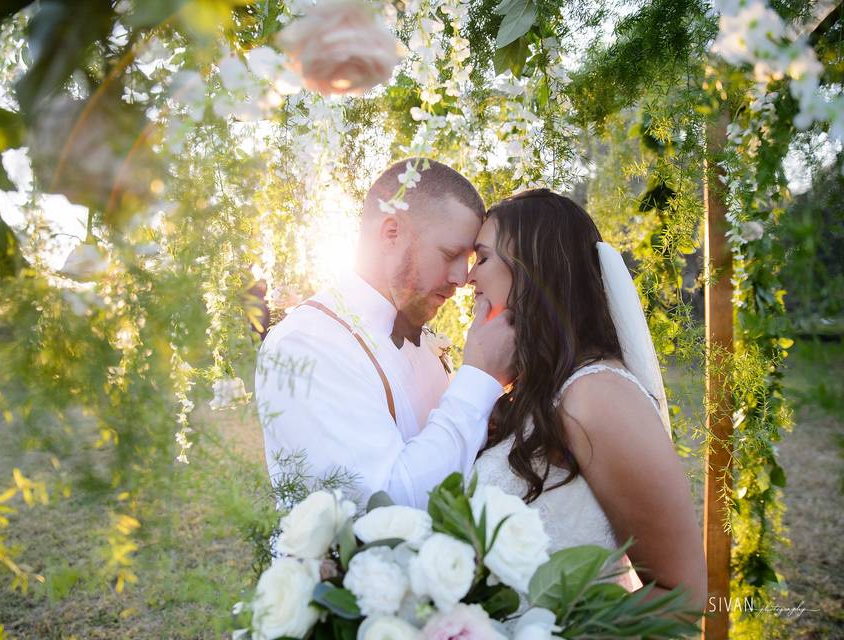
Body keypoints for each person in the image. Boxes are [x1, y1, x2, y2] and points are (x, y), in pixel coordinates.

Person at [469, 189, 707, 609]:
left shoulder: (598, 396)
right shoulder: (537, 391)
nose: (469, 277)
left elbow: (681, 596)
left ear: (532, 269)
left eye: (483, 257)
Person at [255, 158, 516, 508]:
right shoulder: (306, 345)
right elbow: (385, 506)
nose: (462, 278)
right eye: (451, 254)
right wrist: (479, 379)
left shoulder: (424, 340)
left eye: (469, 260)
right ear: (391, 234)